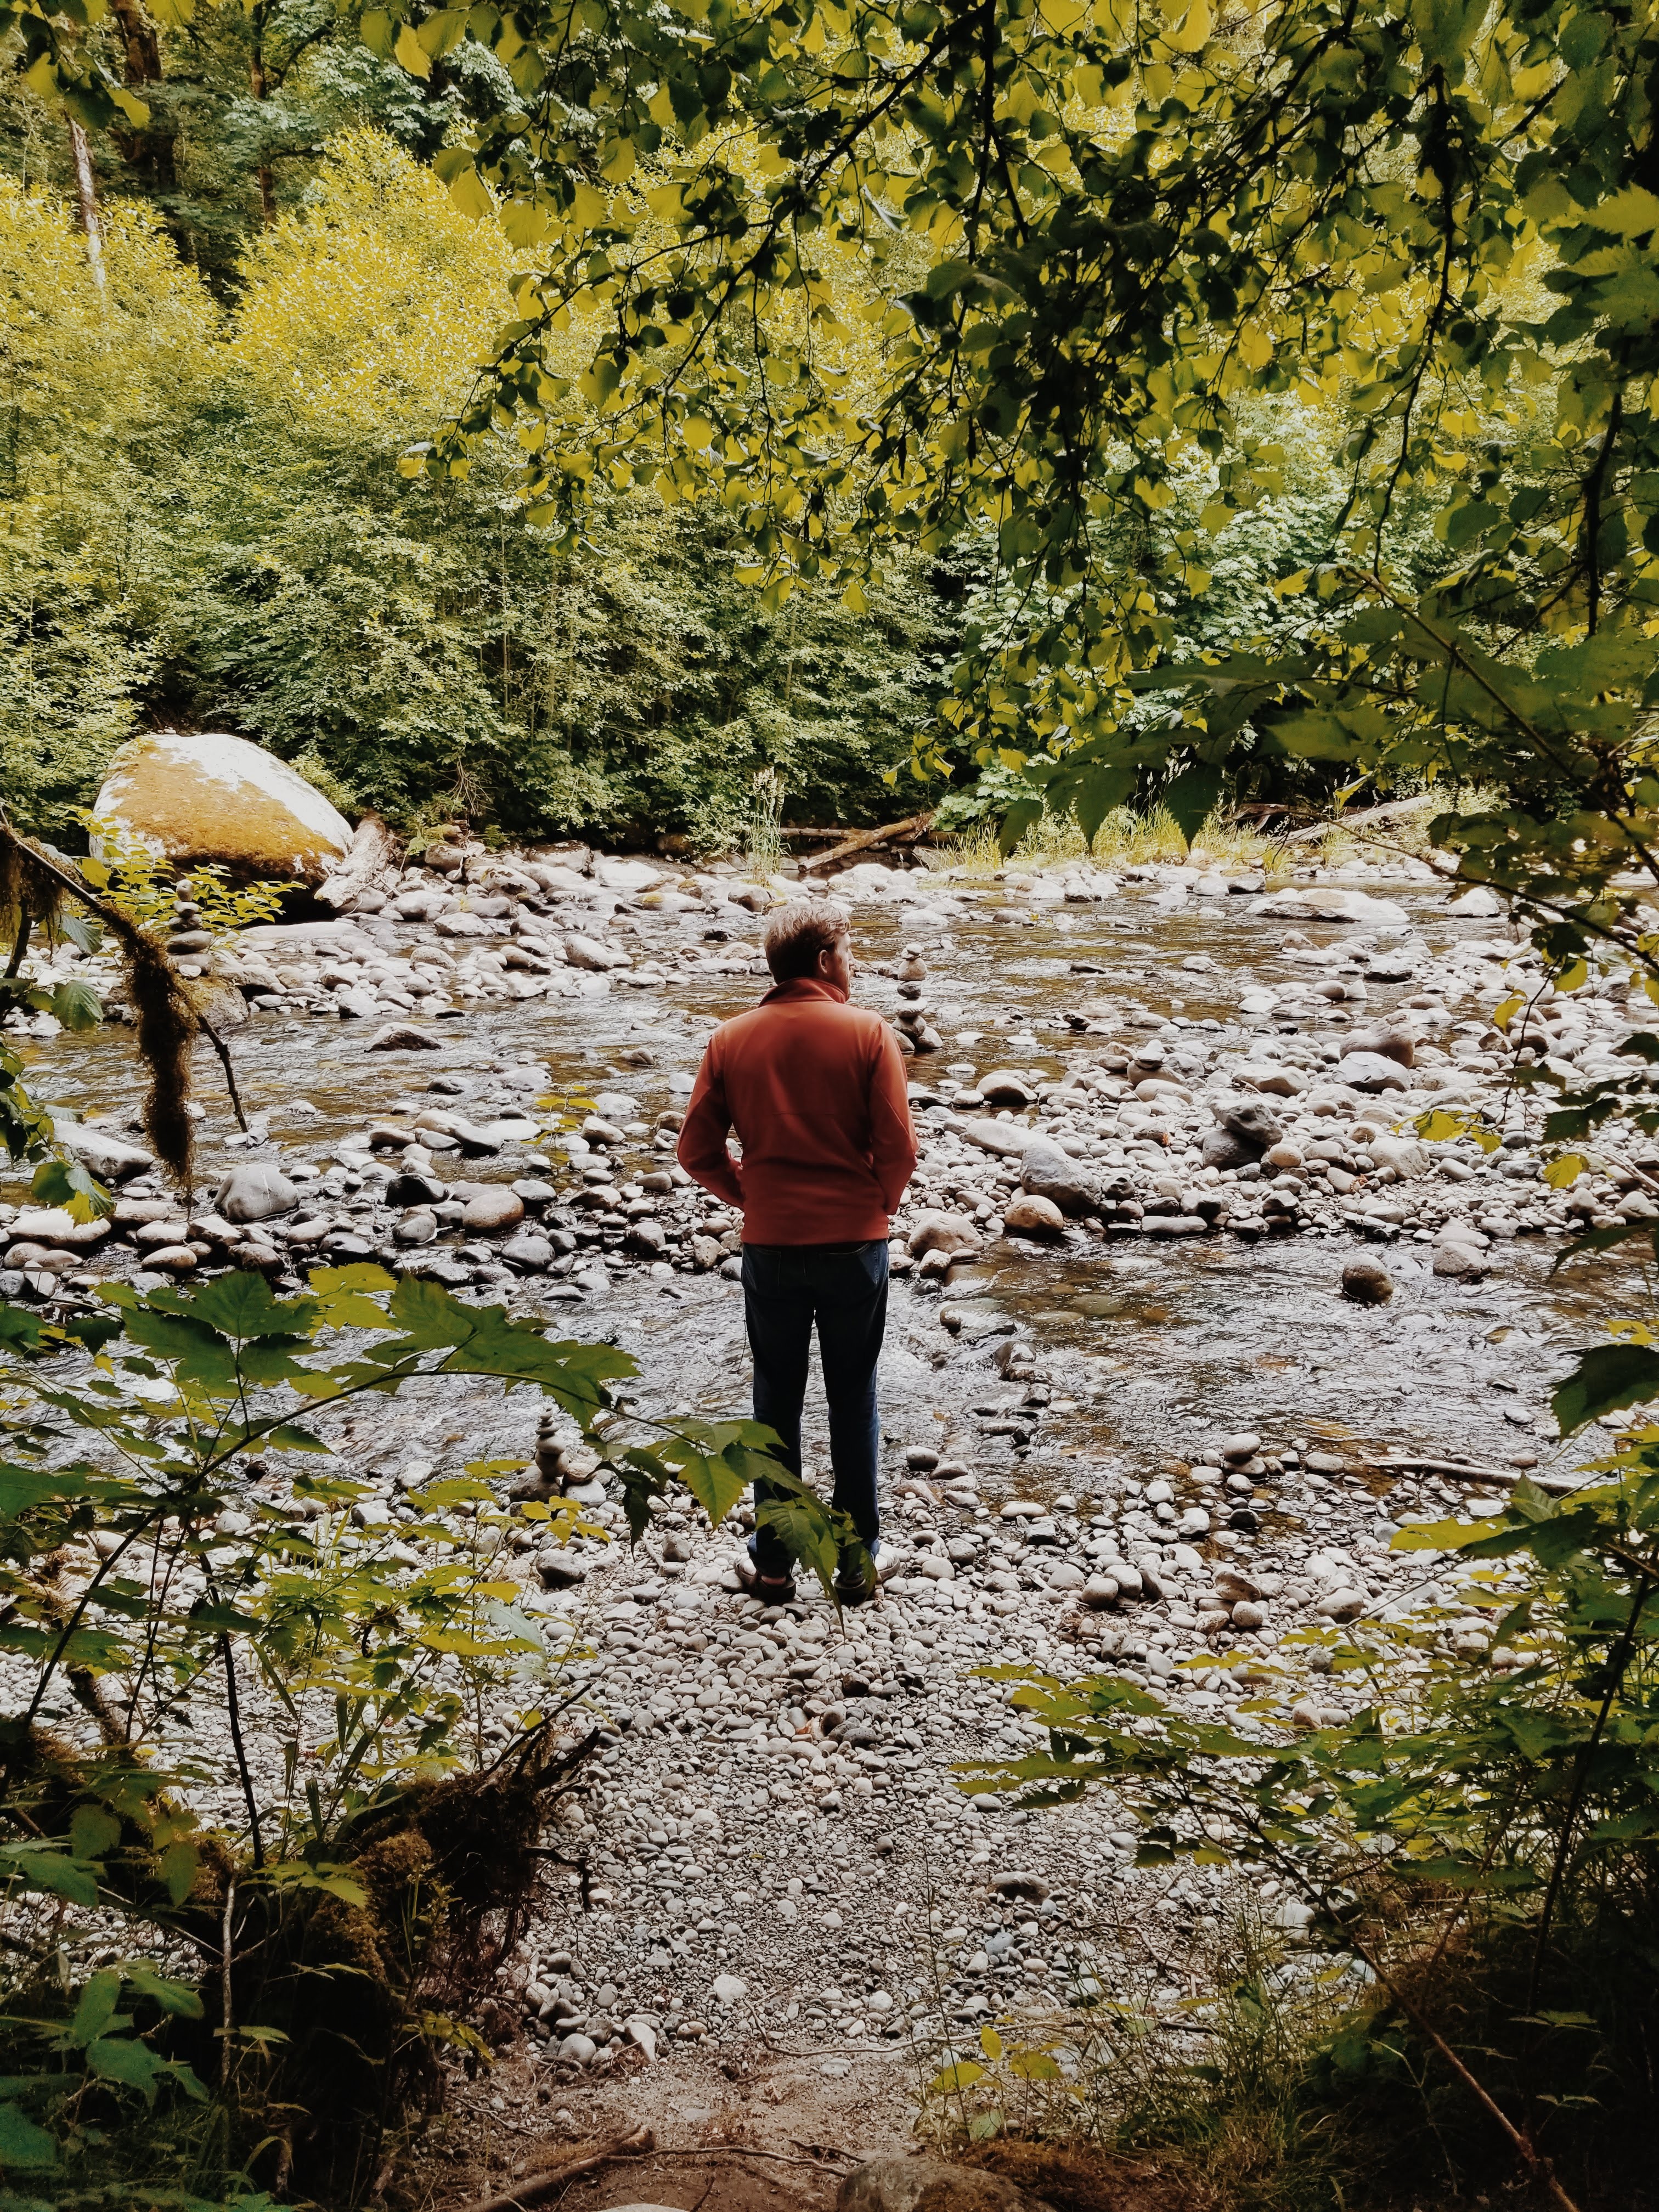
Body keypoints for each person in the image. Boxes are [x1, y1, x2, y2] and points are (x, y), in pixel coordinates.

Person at [676, 897, 917, 1604]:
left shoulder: (729, 1039)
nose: (853, 965)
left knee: (774, 1403)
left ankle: (775, 1563)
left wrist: (751, 1198)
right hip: (855, 1244)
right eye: (849, 953)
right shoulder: (869, 1033)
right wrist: (880, 1204)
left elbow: (696, 1152)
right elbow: (899, 1148)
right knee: (853, 1397)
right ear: (823, 961)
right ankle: (856, 1564)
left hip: (772, 1246)